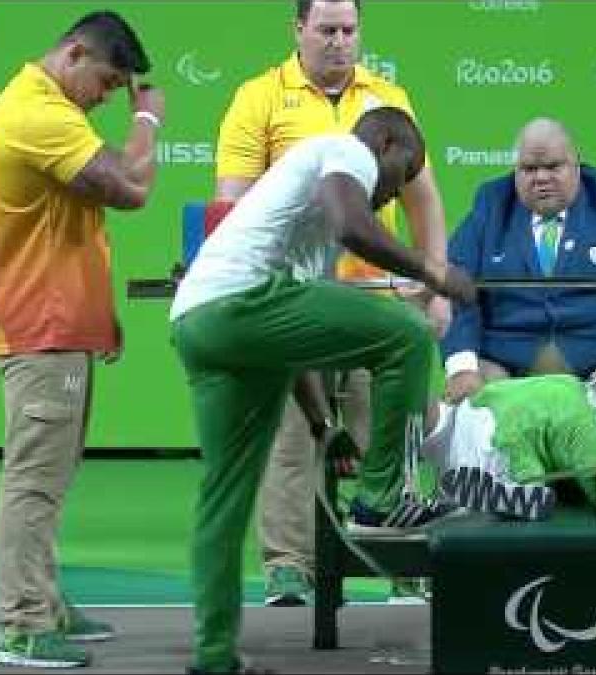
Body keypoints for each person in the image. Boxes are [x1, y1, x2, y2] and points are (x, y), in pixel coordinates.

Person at [170, 107, 476, 675]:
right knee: (408, 334)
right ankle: (382, 499)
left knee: (224, 500)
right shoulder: (345, 149)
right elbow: (353, 226)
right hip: (244, 303)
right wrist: (435, 272)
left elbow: (293, 339)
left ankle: (214, 657)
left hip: (198, 323)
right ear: (385, 143)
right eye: (399, 176)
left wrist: (321, 425)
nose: (391, 196)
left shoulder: (306, 221)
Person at [213, 0, 451, 606]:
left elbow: (423, 196)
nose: (340, 42)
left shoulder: (387, 98)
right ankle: (290, 567)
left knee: (386, 431)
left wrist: (435, 283)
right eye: (327, 30)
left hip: (374, 301)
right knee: (292, 435)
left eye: (349, 30)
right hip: (294, 297)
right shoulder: (257, 98)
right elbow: (232, 203)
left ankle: (402, 566)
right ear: (298, 30)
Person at [0, 10, 163, 669]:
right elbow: (132, 187)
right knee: (32, 479)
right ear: (74, 54)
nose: (107, 96)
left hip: (62, 322)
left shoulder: (53, 108)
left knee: (50, 476)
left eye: (118, 89)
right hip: (39, 325)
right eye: (107, 82)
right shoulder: (34, 113)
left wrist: (97, 313)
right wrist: (149, 120)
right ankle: (21, 625)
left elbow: (76, 220)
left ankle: (44, 600)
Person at [423, 270, 596, 522]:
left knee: (570, 438)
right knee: (592, 441)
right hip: (504, 432)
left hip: (485, 440)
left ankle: (519, 491)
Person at [442, 118, 596, 404]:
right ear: (515, 171)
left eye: (553, 167)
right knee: (467, 396)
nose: (541, 178)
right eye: (529, 169)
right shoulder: (492, 202)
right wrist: (463, 368)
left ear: (577, 166)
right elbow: (454, 289)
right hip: (506, 364)